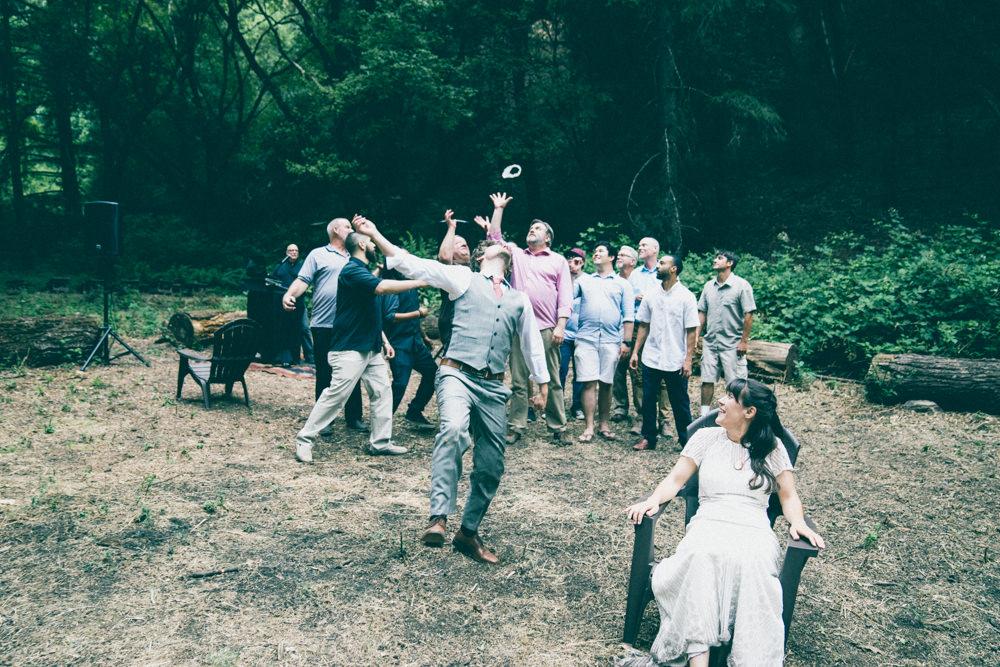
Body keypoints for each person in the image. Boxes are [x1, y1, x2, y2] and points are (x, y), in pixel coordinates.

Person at [356, 215, 549, 565]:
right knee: (454, 429)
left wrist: (543, 383)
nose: (502, 246)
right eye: (494, 244)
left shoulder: (519, 299)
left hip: (493, 386)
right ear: (481, 258)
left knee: (492, 465)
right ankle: (439, 518)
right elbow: (415, 264)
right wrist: (375, 233)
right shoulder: (462, 278)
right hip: (456, 373)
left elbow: (531, 342)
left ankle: (468, 533)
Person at [622, 378, 824, 666]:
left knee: (752, 562)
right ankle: (698, 659)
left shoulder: (772, 448)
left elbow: (789, 496)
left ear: (749, 412)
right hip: (710, 520)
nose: (721, 400)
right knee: (701, 556)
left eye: (730, 397)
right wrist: (653, 499)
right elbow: (676, 479)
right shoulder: (705, 438)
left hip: (753, 526)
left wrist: (797, 522)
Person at [293, 227, 427, 463]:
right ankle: (305, 439)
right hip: (349, 348)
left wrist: (383, 340)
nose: (375, 245)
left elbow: (370, 312)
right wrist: (420, 281)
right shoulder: (352, 271)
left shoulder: (364, 271)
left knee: (382, 392)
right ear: (362, 246)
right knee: (336, 395)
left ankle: (380, 442)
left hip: (370, 348)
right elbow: (382, 287)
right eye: (372, 242)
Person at [485, 192, 572, 444]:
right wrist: (499, 209)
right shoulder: (516, 254)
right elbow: (494, 237)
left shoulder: (558, 261)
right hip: (517, 326)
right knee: (519, 380)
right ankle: (516, 425)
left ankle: (558, 426)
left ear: (547, 238)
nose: (531, 230)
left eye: (537, 228)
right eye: (531, 227)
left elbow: (565, 296)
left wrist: (561, 325)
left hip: (546, 327)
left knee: (553, 378)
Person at [282, 219, 366, 431]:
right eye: (347, 226)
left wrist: (359, 230)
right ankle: (325, 420)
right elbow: (303, 280)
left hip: (351, 324)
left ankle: (354, 417)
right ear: (336, 230)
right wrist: (289, 294)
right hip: (323, 323)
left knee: (353, 370)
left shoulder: (357, 254)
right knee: (325, 373)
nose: (350, 229)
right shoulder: (318, 254)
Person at [630, 253, 699, 452]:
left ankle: (687, 441)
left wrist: (688, 360)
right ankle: (649, 437)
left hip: (675, 359)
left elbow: (692, 330)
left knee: (680, 402)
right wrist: (636, 352)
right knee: (649, 400)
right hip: (651, 356)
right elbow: (643, 325)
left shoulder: (686, 296)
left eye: (662, 263)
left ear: (673, 268)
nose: (658, 265)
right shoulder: (651, 294)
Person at [573, 242, 634, 442]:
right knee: (588, 382)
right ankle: (589, 427)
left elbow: (628, 316)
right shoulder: (584, 281)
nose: (596, 253)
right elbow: (566, 297)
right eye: (595, 251)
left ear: (612, 258)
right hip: (586, 338)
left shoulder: (622, 284)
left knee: (606, 383)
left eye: (601, 251)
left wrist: (626, 342)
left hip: (611, 340)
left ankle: (604, 425)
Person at [698, 251, 756, 417]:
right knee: (707, 379)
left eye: (720, 258)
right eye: (715, 257)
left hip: (732, 343)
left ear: (729, 263)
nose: (715, 260)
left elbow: (749, 315)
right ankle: (704, 415)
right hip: (711, 342)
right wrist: (696, 336)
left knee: (735, 382)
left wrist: (744, 341)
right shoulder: (709, 286)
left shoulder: (742, 285)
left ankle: (736, 413)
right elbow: (702, 312)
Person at [613, 237, 662, 428]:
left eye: (644, 245)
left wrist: (649, 298)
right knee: (621, 367)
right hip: (631, 326)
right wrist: (635, 297)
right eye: (639, 245)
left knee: (640, 373)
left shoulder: (663, 271)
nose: (640, 247)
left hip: (652, 328)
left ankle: (646, 416)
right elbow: (625, 298)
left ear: (655, 249)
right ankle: (622, 408)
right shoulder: (635, 275)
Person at [382, 268, 437, 425]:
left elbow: (413, 312)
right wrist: (418, 314)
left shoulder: (411, 286)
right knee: (400, 384)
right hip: (399, 343)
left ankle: (414, 411)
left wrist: (424, 337)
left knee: (433, 374)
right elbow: (390, 316)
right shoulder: (392, 287)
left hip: (415, 342)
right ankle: (381, 423)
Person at [271, 243, 313, 365]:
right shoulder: (280, 266)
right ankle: (286, 356)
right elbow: (272, 280)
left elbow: (307, 282)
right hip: (283, 303)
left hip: (299, 303)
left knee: (305, 328)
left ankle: (310, 356)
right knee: (286, 329)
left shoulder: (303, 266)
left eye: (296, 250)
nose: (293, 252)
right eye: (291, 250)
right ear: (286, 252)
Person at [560, 247, 586, 420]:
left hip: (582, 335)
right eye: (569, 259)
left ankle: (577, 405)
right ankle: (556, 404)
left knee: (581, 373)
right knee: (560, 370)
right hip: (564, 333)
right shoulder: (561, 280)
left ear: (583, 262)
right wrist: (568, 275)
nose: (572, 263)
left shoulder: (589, 281)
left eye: (576, 260)